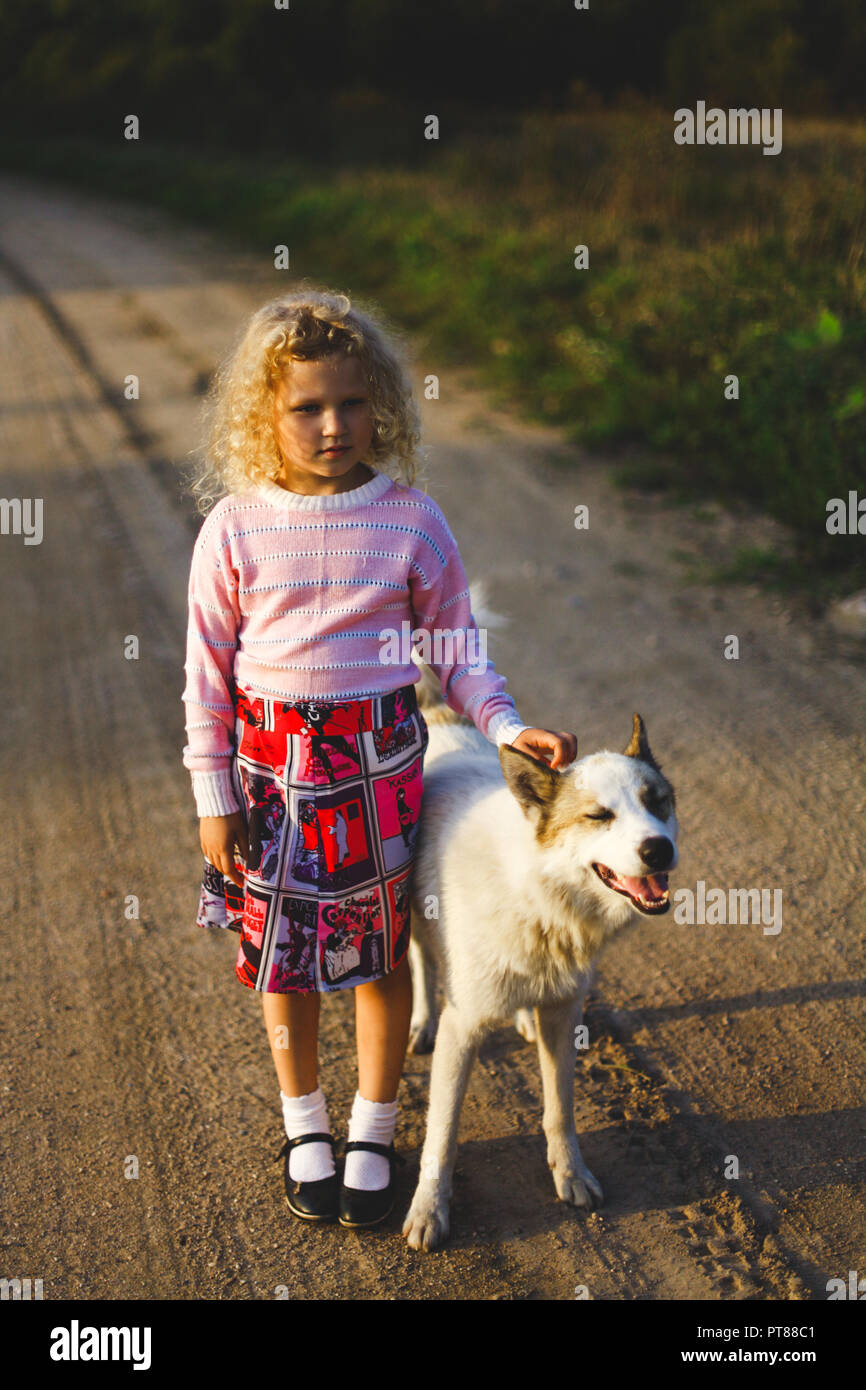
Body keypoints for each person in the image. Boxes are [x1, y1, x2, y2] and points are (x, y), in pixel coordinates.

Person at [180, 286, 577, 1228]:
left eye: (352, 403)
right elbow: (204, 676)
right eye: (305, 408)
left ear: (382, 405)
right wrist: (212, 792)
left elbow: (456, 651)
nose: (331, 427)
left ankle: (374, 1122)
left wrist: (509, 726)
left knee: (374, 952)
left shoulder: (410, 519)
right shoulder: (234, 527)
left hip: (378, 769)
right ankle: (303, 1120)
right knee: (287, 961)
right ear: (262, 418)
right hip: (271, 776)